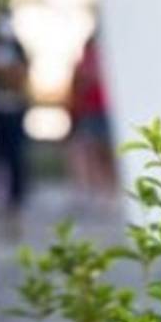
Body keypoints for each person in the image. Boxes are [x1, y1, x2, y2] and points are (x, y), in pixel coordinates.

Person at [65, 33, 117, 203]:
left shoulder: (106, 62)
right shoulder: (82, 64)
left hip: (104, 111)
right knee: (91, 152)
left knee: (106, 153)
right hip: (90, 112)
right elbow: (76, 87)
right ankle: (96, 188)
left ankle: (107, 189)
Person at [0, 10, 30, 215]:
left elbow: (18, 77)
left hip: (13, 109)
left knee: (15, 156)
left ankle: (16, 200)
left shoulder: (19, 49)